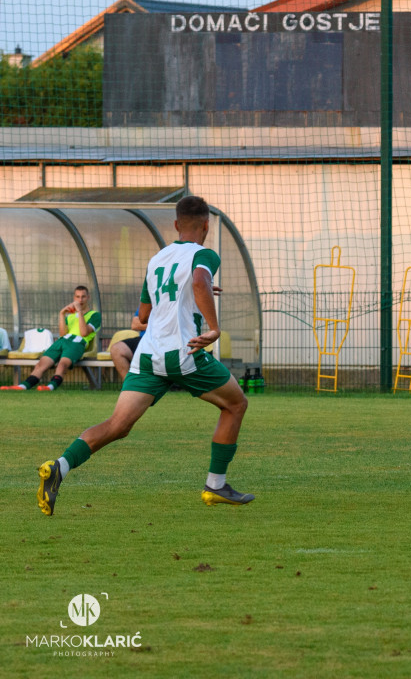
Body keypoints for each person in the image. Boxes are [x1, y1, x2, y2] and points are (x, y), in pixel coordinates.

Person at [36, 195, 253, 516]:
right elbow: (198, 280)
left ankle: (60, 467)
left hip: (148, 355)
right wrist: (213, 325)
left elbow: (144, 315)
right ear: (206, 225)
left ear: (177, 225)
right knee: (236, 404)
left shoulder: (156, 260)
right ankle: (216, 485)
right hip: (183, 351)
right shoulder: (205, 254)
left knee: (118, 425)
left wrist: (192, 296)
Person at [2, 285, 100, 391]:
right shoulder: (70, 316)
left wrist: (80, 312)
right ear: (74, 298)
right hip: (63, 340)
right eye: (77, 297)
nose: (80, 300)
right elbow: (62, 334)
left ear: (88, 297)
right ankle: (23, 386)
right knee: (41, 364)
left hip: (78, 342)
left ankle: (50, 387)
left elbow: (84, 332)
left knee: (63, 364)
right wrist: (61, 314)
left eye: (83, 297)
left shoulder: (95, 315)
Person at [109, 311, 148, 381]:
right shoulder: (148, 301)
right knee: (117, 349)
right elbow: (135, 325)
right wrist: (158, 325)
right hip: (144, 339)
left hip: (164, 341)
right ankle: (131, 385)